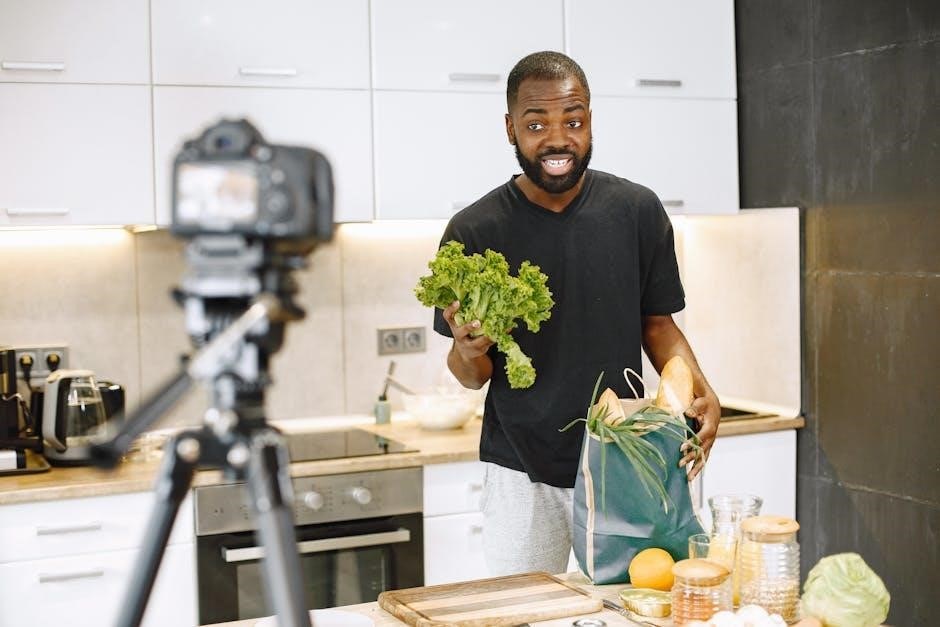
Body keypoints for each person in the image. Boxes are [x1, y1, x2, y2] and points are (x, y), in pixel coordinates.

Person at [432, 51, 720, 576]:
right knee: (524, 609)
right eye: (535, 124)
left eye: (573, 121)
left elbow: (658, 325)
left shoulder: (637, 210)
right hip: (521, 471)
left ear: (590, 121)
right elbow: (470, 376)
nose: (557, 139)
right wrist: (467, 350)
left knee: (629, 603)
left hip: (625, 456)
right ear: (510, 129)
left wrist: (702, 391)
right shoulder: (474, 230)